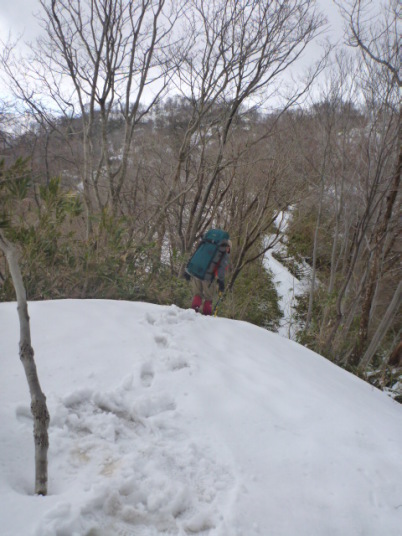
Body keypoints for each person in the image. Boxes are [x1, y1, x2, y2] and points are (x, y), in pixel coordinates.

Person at [189, 239, 231, 316]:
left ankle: (193, 313)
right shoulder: (223, 255)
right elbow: (221, 269)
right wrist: (221, 281)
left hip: (197, 273)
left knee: (197, 294)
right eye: (229, 248)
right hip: (208, 277)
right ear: (227, 247)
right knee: (209, 297)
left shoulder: (208, 248)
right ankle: (207, 316)